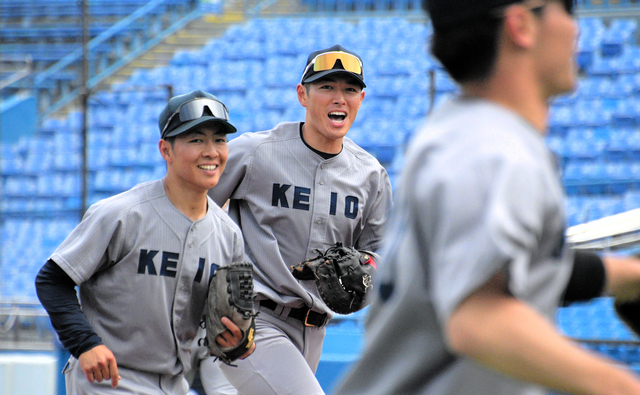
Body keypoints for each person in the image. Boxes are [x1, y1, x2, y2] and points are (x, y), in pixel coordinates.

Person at [335, 1, 640, 394]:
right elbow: (478, 318)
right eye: (567, 8)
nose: (576, 27)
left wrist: (627, 278)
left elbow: (521, 269)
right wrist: (619, 386)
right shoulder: (494, 150)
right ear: (521, 26)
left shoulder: (462, 130)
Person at [196, 44, 393, 395]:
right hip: (250, 318)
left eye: (349, 89)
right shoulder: (256, 152)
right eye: (326, 87)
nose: (339, 98)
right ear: (303, 94)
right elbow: (189, 208)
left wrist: (367, 270)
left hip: (314, 330)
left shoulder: (370, 175)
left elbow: (380, 255)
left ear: (361, 98)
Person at [35, 90, 254, 395]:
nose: (211, 151)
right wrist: (84, 344)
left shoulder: (228, 236)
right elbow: (52, 280)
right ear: (166, 150)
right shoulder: (121, 214)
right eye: (196, 140)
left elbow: (217, 325)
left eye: (219, 140)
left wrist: (234, 342)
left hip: (175, 384)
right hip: (109, 380)